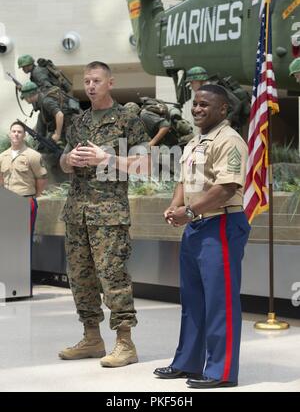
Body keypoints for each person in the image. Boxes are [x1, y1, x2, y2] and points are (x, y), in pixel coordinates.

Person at [153, 84, 250, 389]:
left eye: (205, 105)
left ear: (223, 109)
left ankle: (221, 371)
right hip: (196, 226)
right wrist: (174, 205)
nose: (197, 109)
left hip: (221, 224)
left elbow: (226, 188)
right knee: (192, 300)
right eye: (195, 104)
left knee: (220, 301)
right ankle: (188, 362)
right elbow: (185, 179)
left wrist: (190, 212)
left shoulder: (229, 141)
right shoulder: (195, 141)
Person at [59, 61, 150, 367]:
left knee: (113, 277)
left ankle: (125, 343)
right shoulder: (78, 121)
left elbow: (143, 166)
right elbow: (61, 163)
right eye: (86, 81)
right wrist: (68, 159)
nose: (90, 86)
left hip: (109, 214)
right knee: (80, 278)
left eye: (97, 80)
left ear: (110, 83)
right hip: (77, 212)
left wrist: (106, 157)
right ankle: (92, 338)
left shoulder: (128, 120)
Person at [0, 121, 48, 246]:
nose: (16, 134)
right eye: (14, 131)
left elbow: (41, 180)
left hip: (25, 201)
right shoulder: (2, 156)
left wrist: (33, 196)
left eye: (19, 132)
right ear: (9, 134)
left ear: (24, 135)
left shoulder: (33, 156)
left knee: (23, 242)